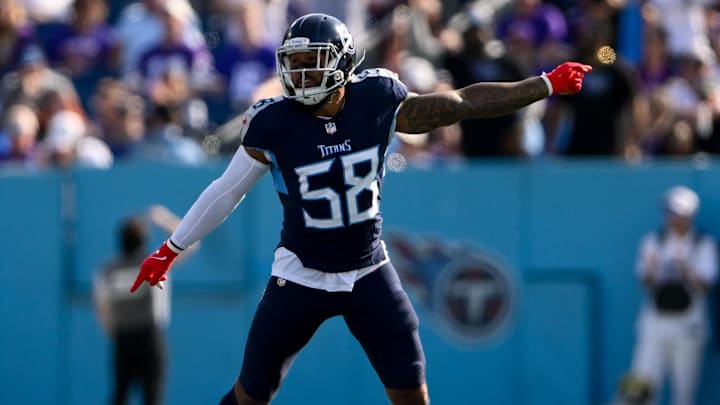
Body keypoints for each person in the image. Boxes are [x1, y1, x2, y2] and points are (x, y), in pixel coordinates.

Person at [129, 13, 591, 405]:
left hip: (368, 269)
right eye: (295, 64)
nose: (303, 75)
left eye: (314, 63)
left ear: (343, 63)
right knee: (252, 393)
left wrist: (544, 84)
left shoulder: (377, 98)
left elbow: (461, 103)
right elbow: (226, 190)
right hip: (300, 273)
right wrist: (171, 248)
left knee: (411, 391)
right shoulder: (272, 122)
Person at [94, 205, 198, 405]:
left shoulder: (107, 270)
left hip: (122, 336)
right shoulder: (151, 263)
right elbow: (191, 244)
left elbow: (103, 308)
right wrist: (163, 219)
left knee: (120, 393)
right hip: (149, 336)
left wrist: (114, 332)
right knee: (153, 394)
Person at [626, 185, 717, 405]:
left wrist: (685, 269)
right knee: (640, 389)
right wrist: (652, 269)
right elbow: (644, 281)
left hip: (689, 326)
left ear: (689, 215)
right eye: (669, 212)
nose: (672, 218)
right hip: (654, 323)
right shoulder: (653, 241)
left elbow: (706, 286)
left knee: (684, 393)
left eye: (677, 213)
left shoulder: (703, 244)